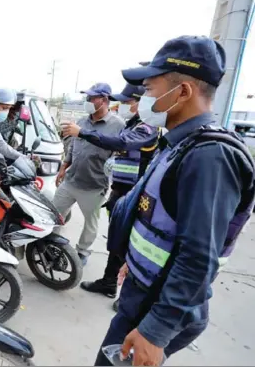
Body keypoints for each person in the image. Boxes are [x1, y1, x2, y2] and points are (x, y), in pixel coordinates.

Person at [94, 36, 255, 366]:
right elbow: (161, 217)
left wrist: (156, 331)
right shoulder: (182, 144)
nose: (143, 99)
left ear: (182, 92)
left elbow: (198, 256)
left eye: (150, 90)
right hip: (145, 292)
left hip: (156, 307)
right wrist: (136, 260)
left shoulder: (211, 157)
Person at [61, 83, 160, 304]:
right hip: (121, 191)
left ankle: (128, 296)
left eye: (127, 102)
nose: (123, 106)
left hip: (137, 194)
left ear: (142, 102)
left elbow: (120, 142)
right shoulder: (134, 123)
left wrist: (84, 134)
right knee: (117, 240)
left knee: (130, 245)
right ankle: (108, 281)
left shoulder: (146, 127)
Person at [55, 83, 125, 265]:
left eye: (92, 98)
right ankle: (52, 246)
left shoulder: (118, 125)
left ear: (104, 100)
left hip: (94, 185)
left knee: (91, 224)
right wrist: (64, 167)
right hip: (71, 181)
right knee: (54, 214)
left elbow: (119, 150)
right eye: (87, 97)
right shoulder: (81, 122)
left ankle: (82, 252)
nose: (88, 101)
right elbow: (72, 146)